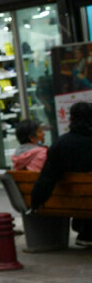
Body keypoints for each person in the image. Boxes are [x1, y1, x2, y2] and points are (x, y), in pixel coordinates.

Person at [31, 101, 92, 247]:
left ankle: (87, 233)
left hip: (73, 203)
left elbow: (47, 177)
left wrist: (35, 202)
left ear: (71, 120)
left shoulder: (60, 144)